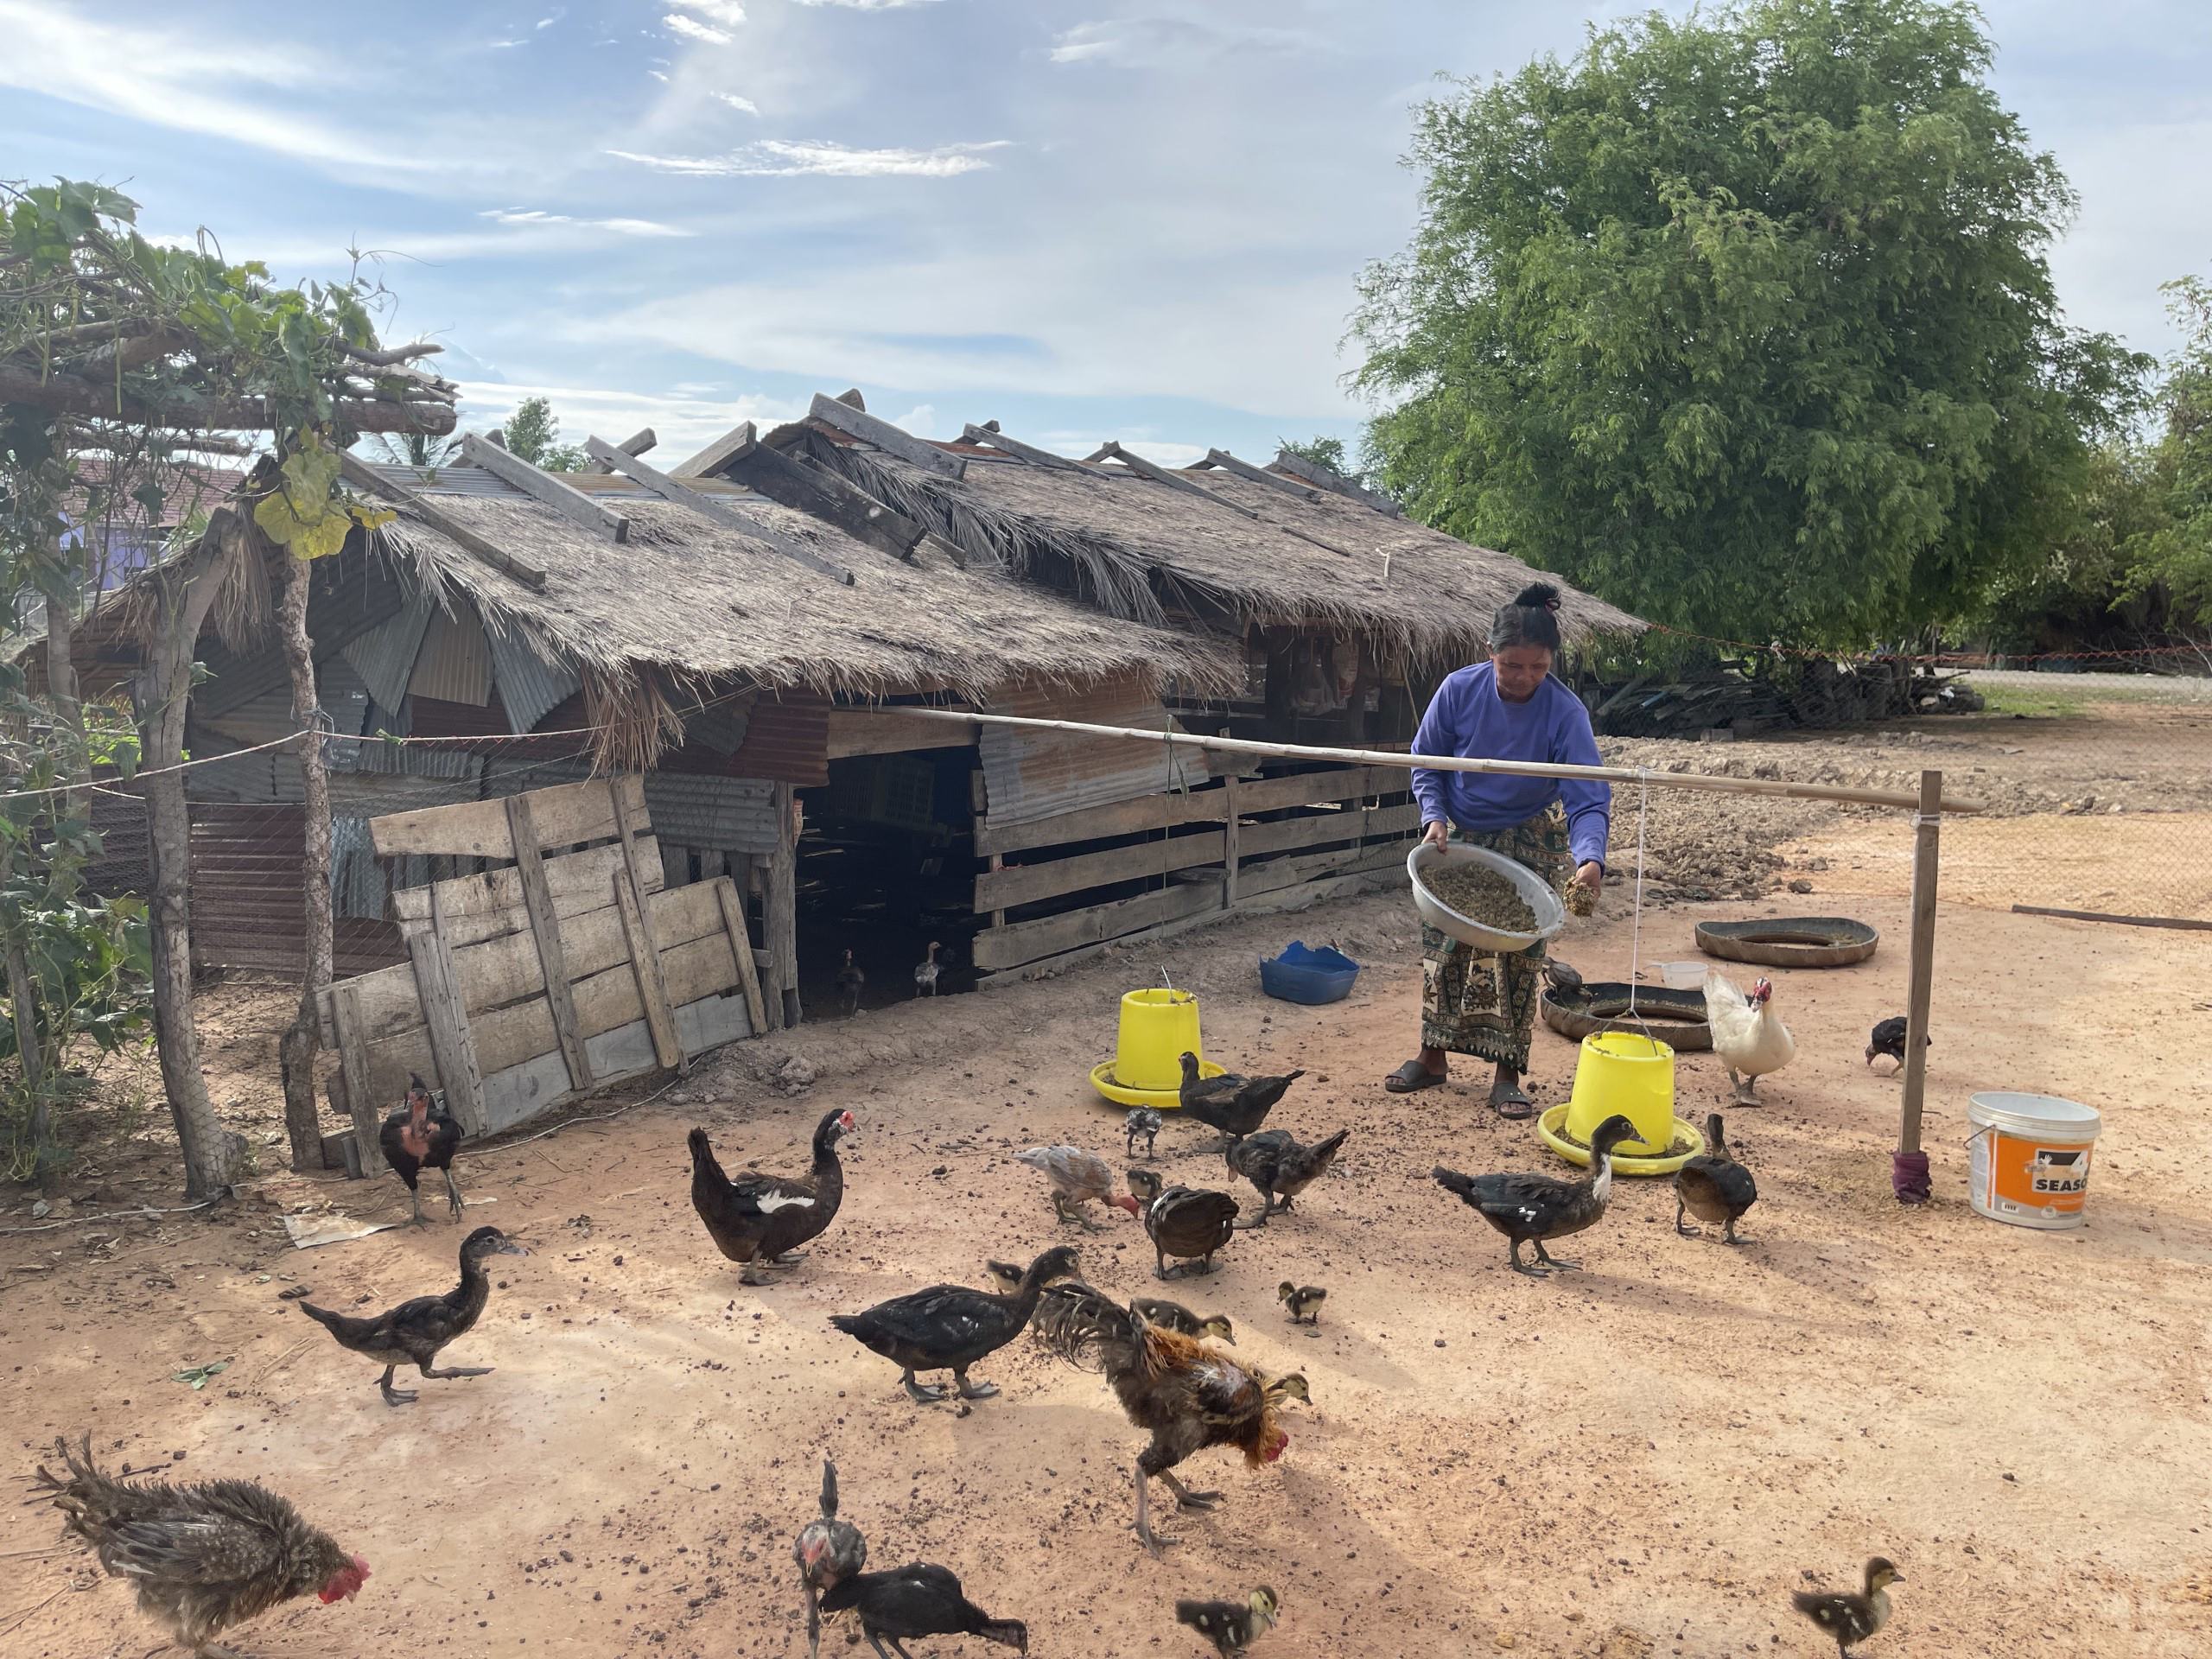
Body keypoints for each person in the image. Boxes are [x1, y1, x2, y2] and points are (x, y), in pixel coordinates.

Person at [1385, 582, 1609, 1118]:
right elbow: (1427, 760)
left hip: (1531, 838)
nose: (1524, 678)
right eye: (1511, 666)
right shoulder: (1459, 691)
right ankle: (1432, 1056)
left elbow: (1587, 794)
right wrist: (1434, 816)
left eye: (1536, 667)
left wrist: (1591, 859)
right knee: (1444, 949)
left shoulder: (1565, 712)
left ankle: (1508, 1073)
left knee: (1517, 956)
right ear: (1491, 654)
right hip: (1457, 838)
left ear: (1550, 662)